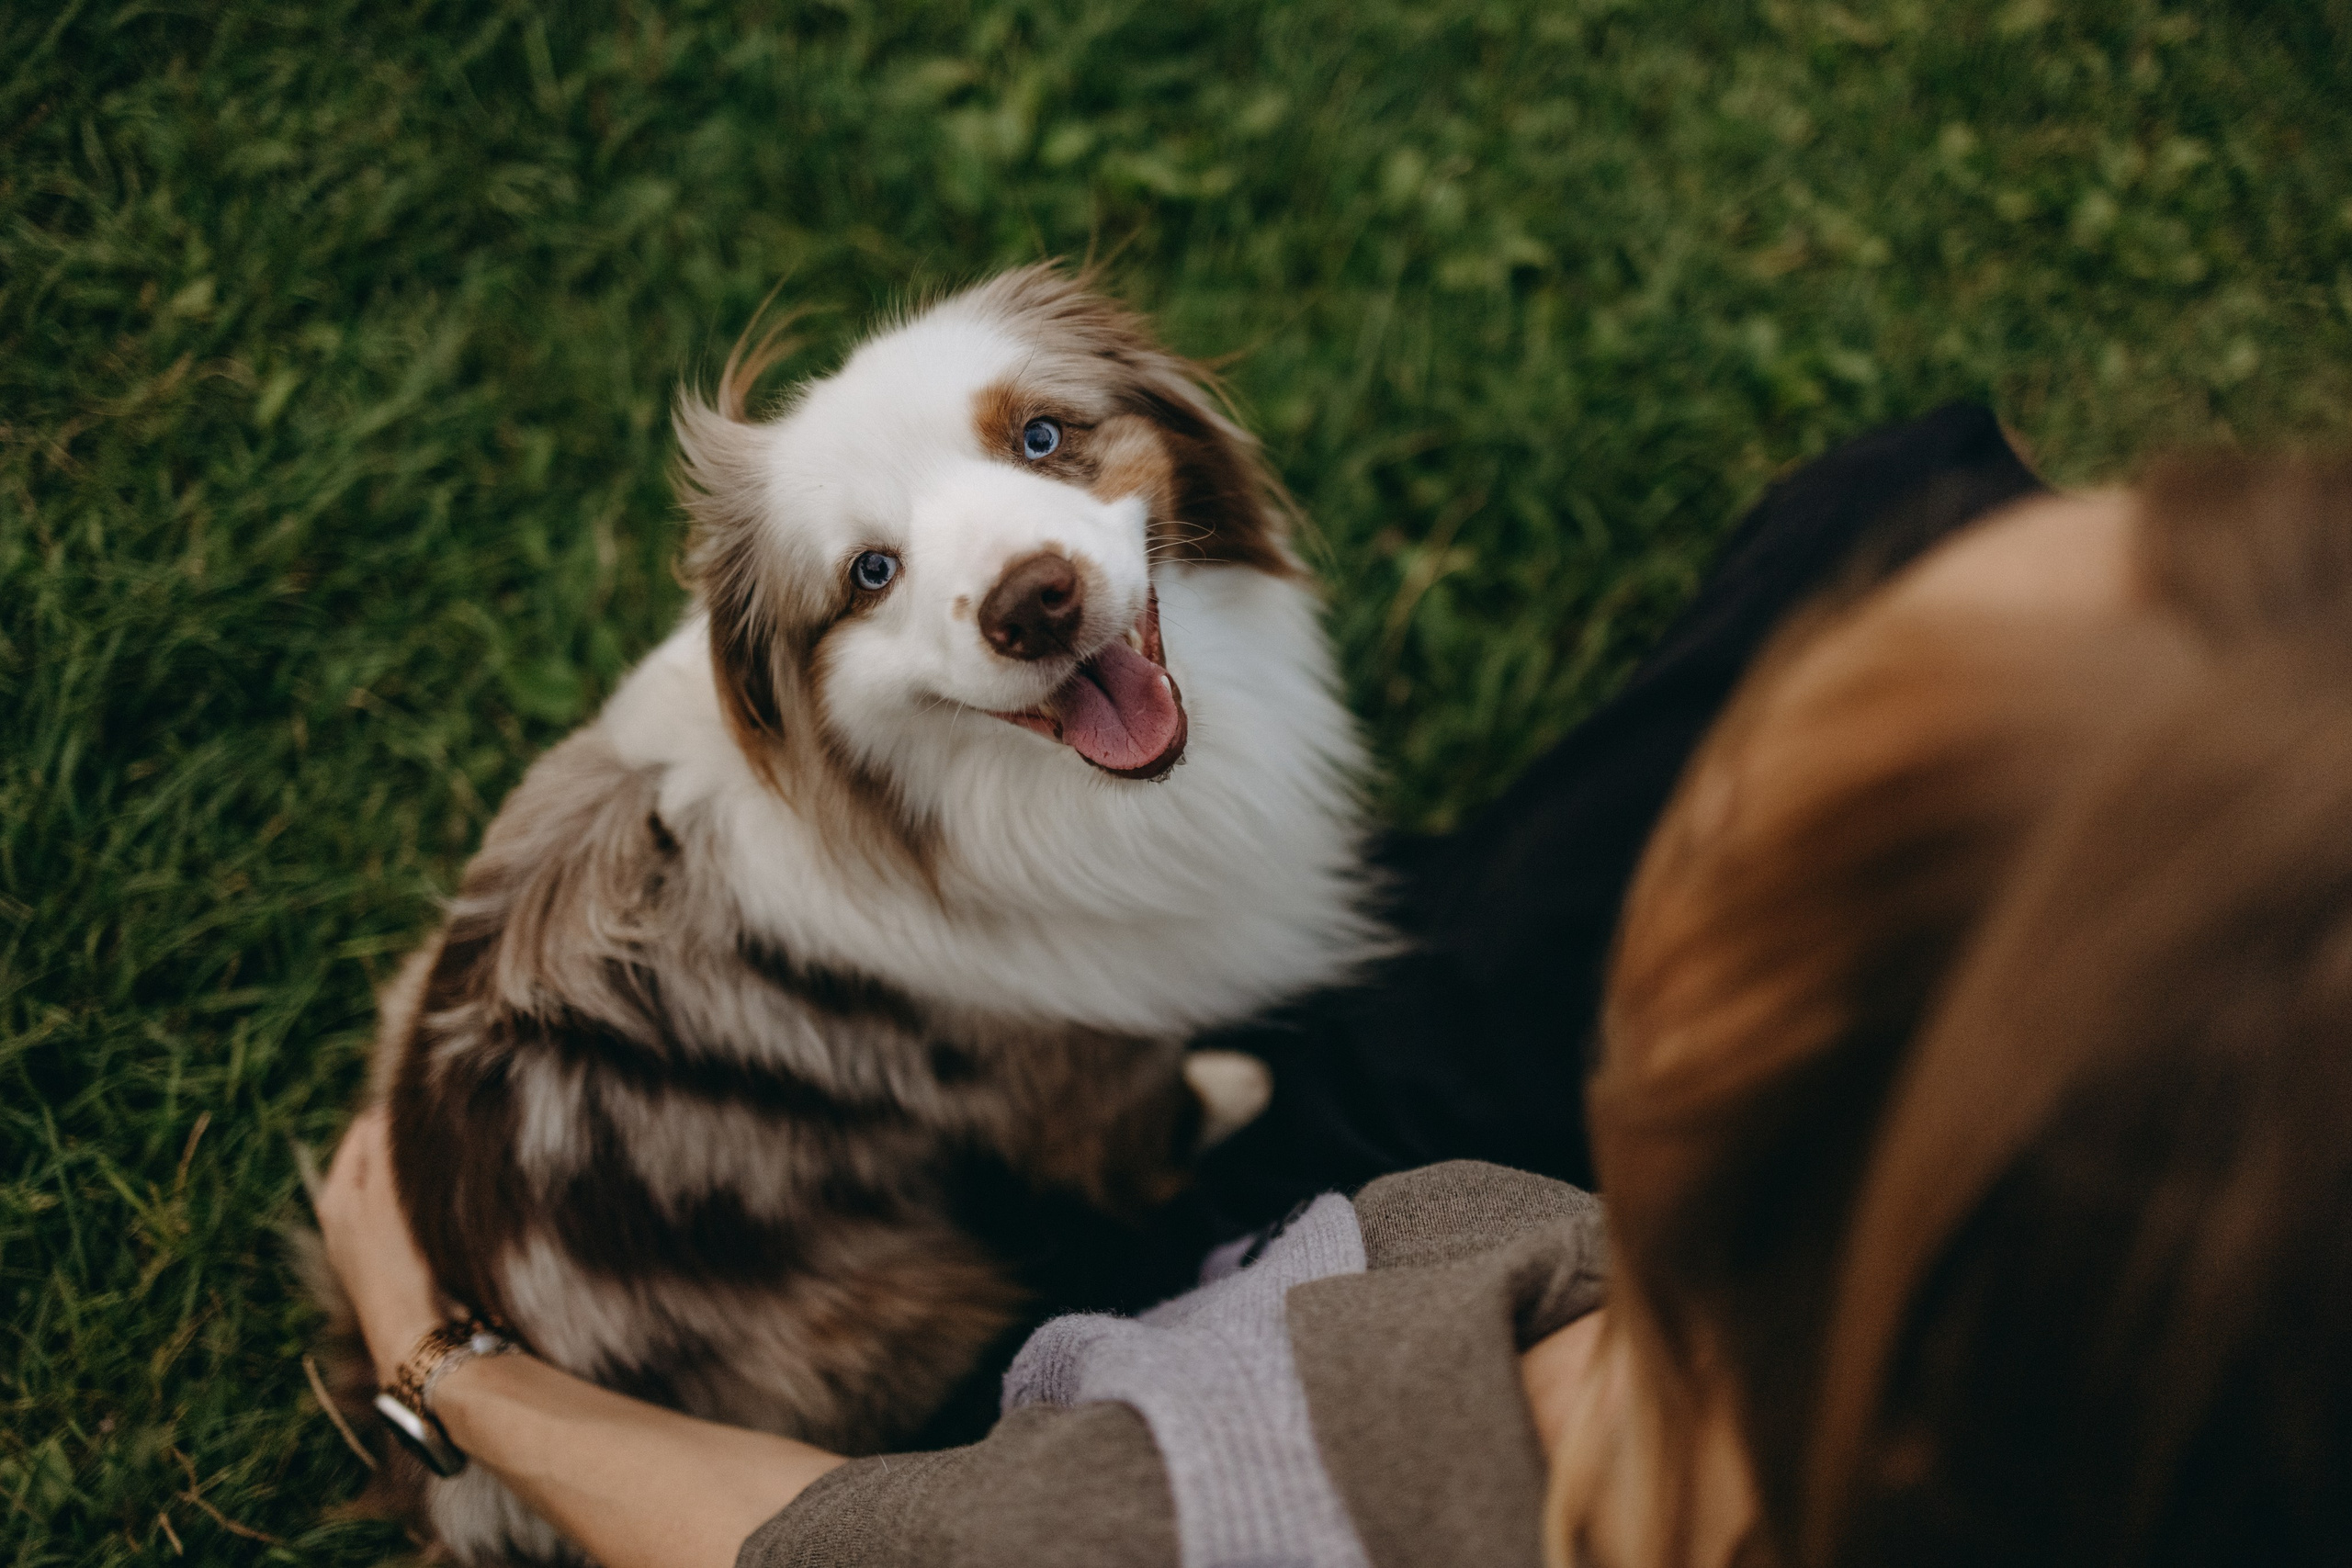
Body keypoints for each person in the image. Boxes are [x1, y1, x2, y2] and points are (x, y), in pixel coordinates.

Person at [315, 418, 2352, 1566]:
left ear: (1703, 1035)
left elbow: (808, 1541)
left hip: (1208, 1262)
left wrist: (443, 1350)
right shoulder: (2121, 1397)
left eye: (1784, 788)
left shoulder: (1198, 1518)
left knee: (1887, 527)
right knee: (1909, 512)